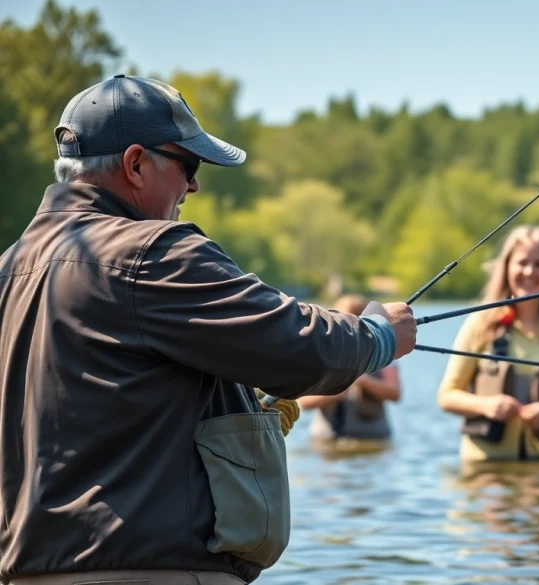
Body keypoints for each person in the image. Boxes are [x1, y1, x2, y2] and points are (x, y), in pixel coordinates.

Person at [0, 75, 417, 585]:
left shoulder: (9, 271)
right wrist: (377, 336)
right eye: (187, 165)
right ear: (135, 164)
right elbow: (297, 345)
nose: (193, 185)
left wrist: (242, 407)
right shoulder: (151, 251)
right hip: (147, 572)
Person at [437, 225, 539, 462]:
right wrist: (486, 406)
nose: (529, 271)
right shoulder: (479, 324)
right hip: (487, 471)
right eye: (522, 262)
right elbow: (447, 396)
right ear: (507, 268)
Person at [299, 294, 402, 445]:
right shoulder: (321, 354)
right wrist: (337, 390)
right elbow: (305, 402)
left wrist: (362, 381)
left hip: (373, 438)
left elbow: (395, 393)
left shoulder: (385, 354)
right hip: (326, 440)